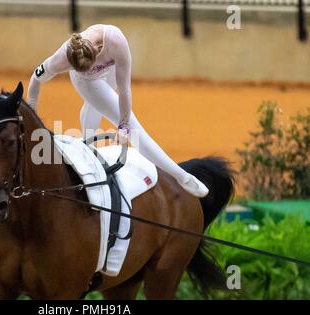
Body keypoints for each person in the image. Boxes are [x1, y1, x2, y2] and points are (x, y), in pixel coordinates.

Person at [27, 24, 209, 197]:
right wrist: (32, 118)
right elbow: (35, 79)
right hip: (87, 83)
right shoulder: (62, 58)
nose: (86, 70)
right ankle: (182, 177)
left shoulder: (116, 41)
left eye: (88, 67)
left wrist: (122, 127)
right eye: (79, 69)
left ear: (98, 50)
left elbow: (124, 90)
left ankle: (87, 149)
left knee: (113, 115)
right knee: (134, 128)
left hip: (112, 71)